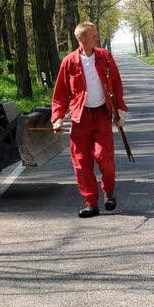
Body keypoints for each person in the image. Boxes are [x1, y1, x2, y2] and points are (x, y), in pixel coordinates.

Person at [51, 21, 128, 218]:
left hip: (102, 114)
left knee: (104, 157)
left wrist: (120, 110)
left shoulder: (105, 56)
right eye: (93, 35)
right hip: (80, 118)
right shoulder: (69, 62)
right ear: (81, 38)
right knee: (81, 162)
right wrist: (58, 117)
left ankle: (108, 192)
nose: (97, 37)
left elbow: (116, 82)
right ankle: (90, 202)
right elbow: (60, 92)